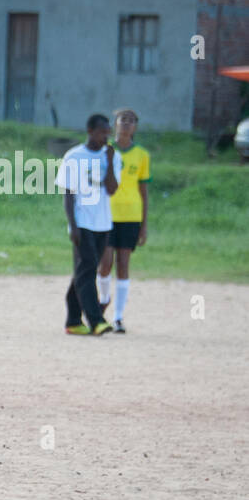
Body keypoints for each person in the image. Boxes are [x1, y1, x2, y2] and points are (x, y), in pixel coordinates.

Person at [58, 114, 121, 335]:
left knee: (84, 271)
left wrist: (111, 161)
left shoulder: (113, 156)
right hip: (82, 222)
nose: (106, 136)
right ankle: (96, 321)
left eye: (108, 132)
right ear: (90, 131)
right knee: (87, 269)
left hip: (103, 222)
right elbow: (68, 194)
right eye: (102, 132)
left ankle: (73, 321)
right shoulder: (74, 157)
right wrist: (73, 225)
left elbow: (112, 190)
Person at [96, 108, 149, 333]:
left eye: (131, 121)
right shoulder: (104, 151)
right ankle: (103, 301)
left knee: (124, 264)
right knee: (105, 262)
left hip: (131, 215)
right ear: (115, 124)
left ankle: (118, 318)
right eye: (122, 120)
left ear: (135, 126)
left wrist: (144, 224)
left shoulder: (141, 155)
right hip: (107, 214)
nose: (126, 124)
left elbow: (144, 191)